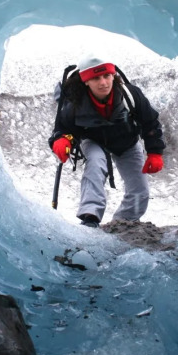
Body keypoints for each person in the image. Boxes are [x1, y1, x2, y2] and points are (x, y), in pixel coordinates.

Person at [48, 55, 165, 228]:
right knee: (95, 164)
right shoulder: (75, 103)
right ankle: (90, 217)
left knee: (140, 189)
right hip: (93, 141)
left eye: (107, 76)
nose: (103, 82)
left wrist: (155, 152)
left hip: (127, 141)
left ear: (113, 75)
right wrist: (61, 141)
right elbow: (62, 129)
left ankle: (125, 222)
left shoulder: (130, 94)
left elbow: (150, 122)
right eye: (96, 78)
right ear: (86, 81)